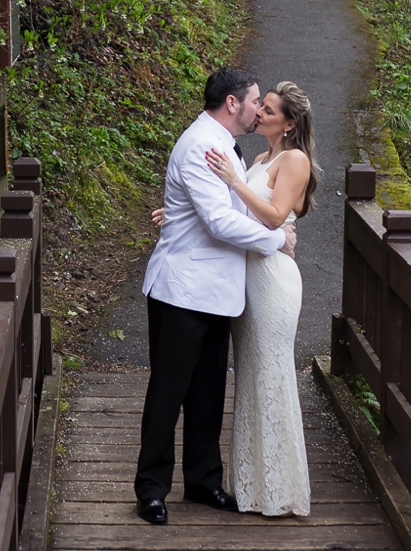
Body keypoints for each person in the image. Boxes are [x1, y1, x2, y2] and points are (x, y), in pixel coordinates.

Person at [134, 68, 297, 526]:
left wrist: (178, 208)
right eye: (253, 103)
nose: (258, 110)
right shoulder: (201, 144)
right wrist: (276, 239)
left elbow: (228, 206)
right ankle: (151, 489)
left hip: (218, 293)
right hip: (182, 290)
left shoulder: (227, 146)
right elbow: (220, 223)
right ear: (231, 103)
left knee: (207, 392)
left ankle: (204, 481)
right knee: (169, 391)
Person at [203, 80, 318, 516]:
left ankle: (282, 489)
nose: (260, 114)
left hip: (273, 280)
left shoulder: (295, 160)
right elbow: (232, 213)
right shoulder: (257, 158)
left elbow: (273, 216)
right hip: (246, 277)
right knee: (249, 373)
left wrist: (234, 179)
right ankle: (251, 486)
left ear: (288, 124)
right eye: (261, 106)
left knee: (272, 372)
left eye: (269, 111)